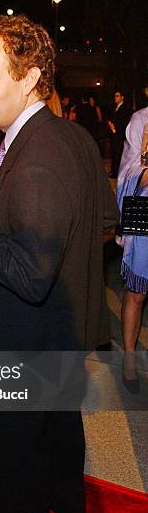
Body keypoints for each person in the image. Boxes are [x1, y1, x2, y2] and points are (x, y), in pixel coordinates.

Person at [0, 14, 119, 513]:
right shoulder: (68, 135)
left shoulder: (36, 156)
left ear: (30, 77)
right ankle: (70, 506)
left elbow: (31, 274)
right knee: (61, 426)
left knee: (14, 447)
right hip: (65, 331)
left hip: (24, 341)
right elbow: (105, 220)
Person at [116, 106, 148, 382]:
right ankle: (129, 357)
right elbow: (128, 173)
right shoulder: (141, 120)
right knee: (137, 292)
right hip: (144, 210)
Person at [108, 89, 131, 177]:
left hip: (120, 134)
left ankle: (117, 172)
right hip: (115, 134)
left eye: (117, 96)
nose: (115, 98)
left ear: (122, 97)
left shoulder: (125, 108)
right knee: (115, 153)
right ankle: (114, 171)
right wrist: (110, 124)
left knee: (118, 153)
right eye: (115, 96)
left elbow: (123, 121)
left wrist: (114, 127)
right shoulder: (115, 107)